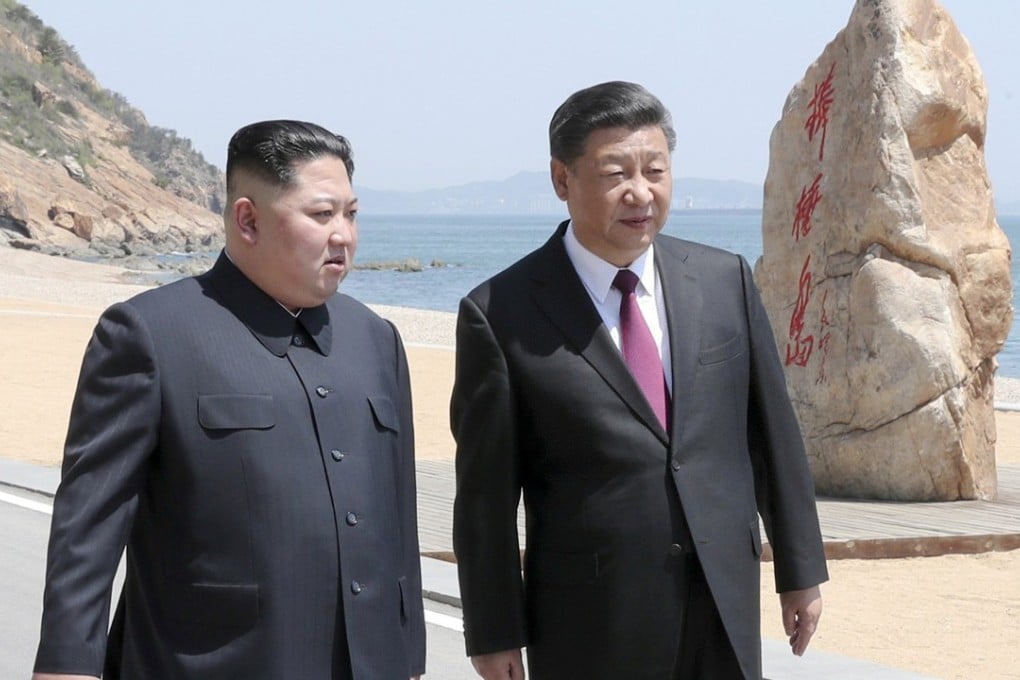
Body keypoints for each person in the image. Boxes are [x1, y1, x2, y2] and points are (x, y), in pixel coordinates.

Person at [450, 81, 828, 679]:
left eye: (655, 170)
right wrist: (493, 632)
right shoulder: (500, 313)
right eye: (614, 173)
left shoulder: (722, 278)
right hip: (591, 622)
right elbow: (485, 498)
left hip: (721, 601)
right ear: (561, 179)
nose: (640, 192)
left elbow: (771, 434)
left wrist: (801, 569)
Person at [32, 120, 426, 680]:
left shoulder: (375, 338)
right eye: (321, 214)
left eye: (351, 214)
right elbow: (89, 525)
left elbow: (398, 514)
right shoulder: (150, 333)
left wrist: (407, 658)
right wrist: (67, 666)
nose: (343, 235)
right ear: (248, 219)